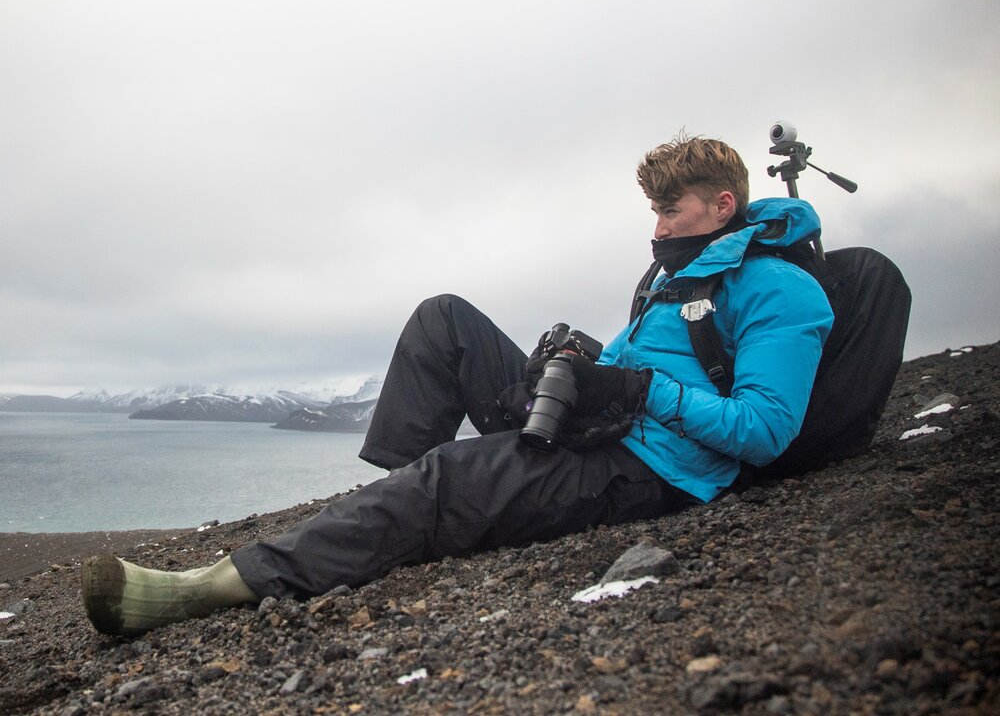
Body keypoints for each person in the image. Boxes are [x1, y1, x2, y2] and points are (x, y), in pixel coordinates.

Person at [82, 134, 834, 636]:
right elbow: (645, 364)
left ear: (723, 206)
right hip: (606, 422)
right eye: (656, 212)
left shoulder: (779, 291)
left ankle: (217, 585)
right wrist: (578, 359)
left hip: (650, 466)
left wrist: (635, 393)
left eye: (671, 210)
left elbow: (766, 432)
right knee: (444, 320)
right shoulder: (674, 274)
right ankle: (394, 505)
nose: (660, 225)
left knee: (449, 475)